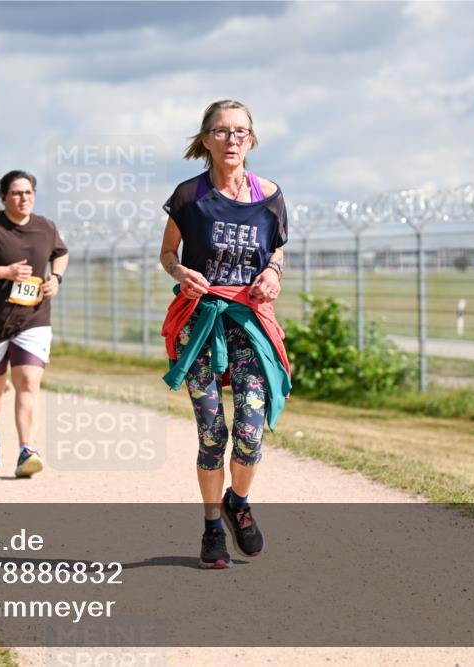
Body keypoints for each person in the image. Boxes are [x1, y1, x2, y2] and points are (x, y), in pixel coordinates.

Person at [159, 100, 292, 569]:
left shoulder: (270, 195)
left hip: (249, 324)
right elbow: (168, 253)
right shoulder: (188, 196)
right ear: (206, 140)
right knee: (213, 433)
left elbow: (277, 251)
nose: (232, 139)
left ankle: (239, 502)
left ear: (251, 139)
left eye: (240, 132)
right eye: (221, 131)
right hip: (201, 322)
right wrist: (181, 272)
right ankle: (213, 525)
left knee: (250, 431)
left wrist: (273, 273)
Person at [0, 170, 69, 478]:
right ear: (4, 196)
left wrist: (56, 278)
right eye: (17, 193)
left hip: (33, 319)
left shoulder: (45, 227)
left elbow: (61, 253)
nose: (23, 198)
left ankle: (26, 451)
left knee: (29, 382)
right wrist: (4, 272)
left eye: (28, 192)